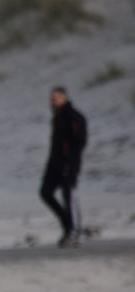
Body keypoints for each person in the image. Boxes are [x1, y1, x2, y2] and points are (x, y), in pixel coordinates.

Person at [39, 85, 88, 248]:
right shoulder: (57, 117)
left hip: (69, 163)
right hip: (54, 163)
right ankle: (67, 224)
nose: (52, 101)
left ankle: (74, 231)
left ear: (64, 98)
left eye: (55, 98)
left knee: (69, 194)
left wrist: (69, 160)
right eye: (51, 99)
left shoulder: (74, 116)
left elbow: (80, 141)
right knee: (45, 192)